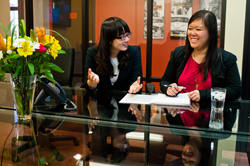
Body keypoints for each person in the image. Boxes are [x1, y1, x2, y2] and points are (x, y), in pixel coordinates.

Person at [160, 10, 242, 101]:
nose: (192, 33)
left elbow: (235, 90)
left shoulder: (227, 59)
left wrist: (205, 95)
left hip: (212, 113)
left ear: (211, 33)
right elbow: (165, 81)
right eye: (190, 28)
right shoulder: (178, 53)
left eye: (198, 29)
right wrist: (168, 88)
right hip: (180, 112)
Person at [83, 17, 142, 93]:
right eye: (122, 37)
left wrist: (133, 87)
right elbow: (87, 84)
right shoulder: (92, 53)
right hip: (100, 102)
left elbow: (136, 79)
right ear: (109, 39)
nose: (127, 39)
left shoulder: (133, 52)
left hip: (124, 101)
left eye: (127, 35)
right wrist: (92, 82)